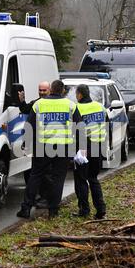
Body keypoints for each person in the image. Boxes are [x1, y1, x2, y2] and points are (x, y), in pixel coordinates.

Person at [17, 80, 81, 219]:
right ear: (63, 90)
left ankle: (26, 208)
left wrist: (26, 143)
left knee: (35, 176)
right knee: (58, 179)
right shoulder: (70, 105)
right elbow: (79, 127)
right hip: (64, 147)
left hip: (43, 146)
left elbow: (30, 125)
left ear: (51, 89)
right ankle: (53, 211)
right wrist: (79, 148)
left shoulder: (39, 104)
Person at [73, 85, 108, 220]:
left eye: (76, 94)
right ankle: (101, 209)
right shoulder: (100, 107)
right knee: (93, 178)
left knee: (81, 179)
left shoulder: (77, 108)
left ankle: (84, 209)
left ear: (80, 95)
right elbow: (106, 124)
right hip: (98, 146)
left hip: (84, 148)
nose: (76, 96)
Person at [18, 81, 51, 208]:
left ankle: (45, 198)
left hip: (52, 143)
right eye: (40, 90)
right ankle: (38, 198)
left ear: (49, 90)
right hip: (38, 143)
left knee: (46, 173)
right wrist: (22, 101)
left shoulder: (55, 103)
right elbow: (28, 117)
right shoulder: (36, 103)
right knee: (33, 172)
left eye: (44, 90)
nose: (42, 93)